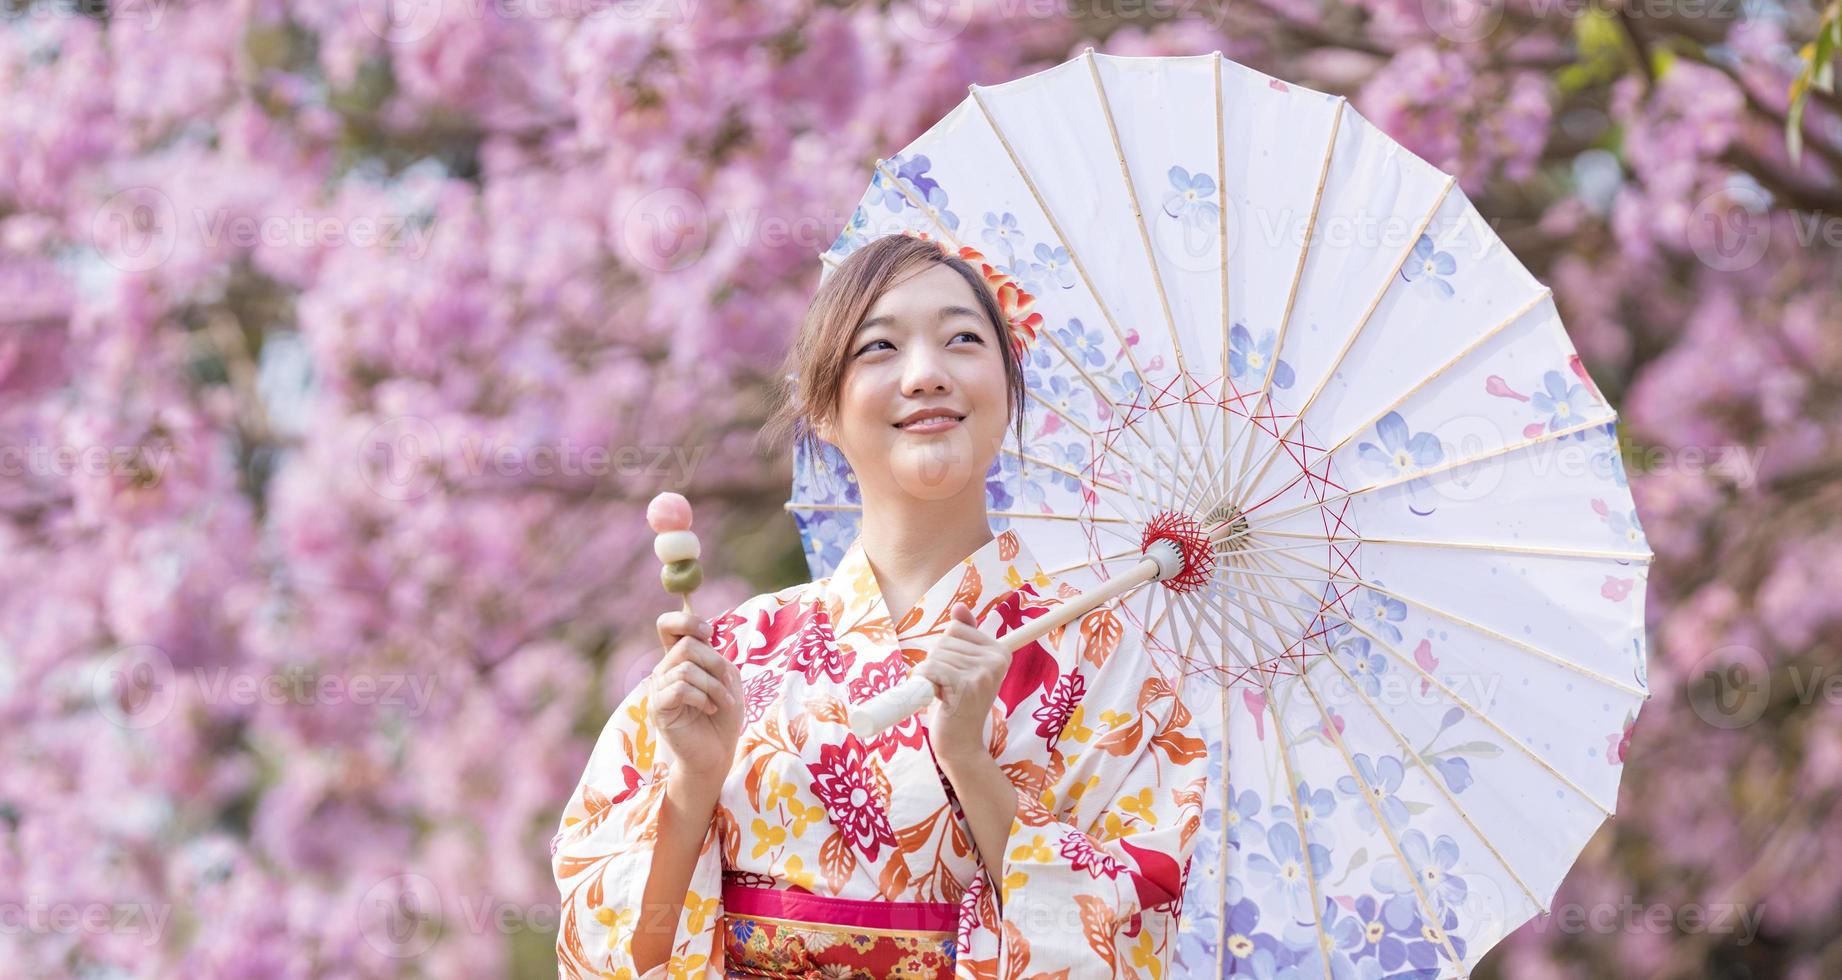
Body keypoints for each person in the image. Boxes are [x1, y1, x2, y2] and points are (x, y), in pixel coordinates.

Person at [552, 232, 1210, 979]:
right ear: (823, 409)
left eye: (963, 339)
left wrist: (968, 759)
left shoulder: (1099, 660)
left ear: (1007, 382)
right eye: (880, 348)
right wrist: (693, 783)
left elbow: (1124, 932)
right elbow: (610, 950)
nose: (927, 374)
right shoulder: (735, 652)